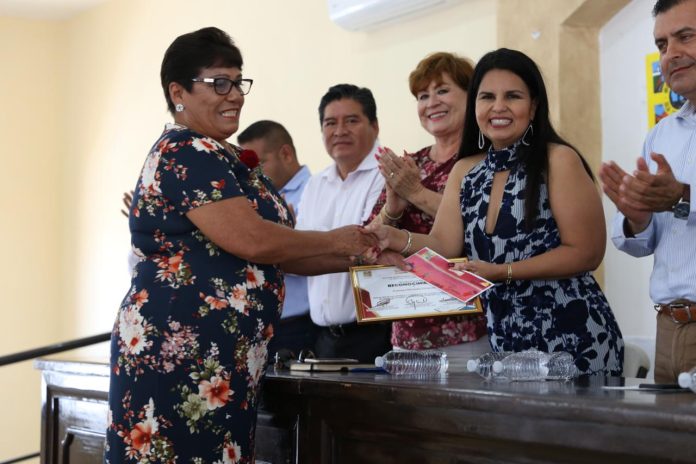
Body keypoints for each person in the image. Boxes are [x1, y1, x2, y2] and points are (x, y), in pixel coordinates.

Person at [106, 28, 376, 463]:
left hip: (225, 355)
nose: (234, 95)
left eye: (237, 82)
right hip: (181, 350)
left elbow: (282, 254)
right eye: (219, 83)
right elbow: (252, 239)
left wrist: (363, 256)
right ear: (178, 92)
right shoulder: (184, 150)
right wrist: (337, 239)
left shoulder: (224, 155)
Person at [368, 48, 624, 376]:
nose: (498, 107)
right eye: (487, 97)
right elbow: (444, 244)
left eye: (512, 96)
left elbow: (586, 253)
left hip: (572, 336)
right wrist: (393, 237)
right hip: (505, 341)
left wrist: (503, 272)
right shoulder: (466, 170)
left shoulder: (558, 160)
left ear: (534, 106)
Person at [366, 52, 488, 361]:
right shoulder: (412, 163)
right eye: (423, 96)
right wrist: (393, 208)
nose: (431, 102)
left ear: (472, 96)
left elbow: (482, 225)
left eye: (442, 90)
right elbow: (367, 238)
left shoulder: (484, 159)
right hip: (406, 327)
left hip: (467, 328)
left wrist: (416, 193)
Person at [599, 0, 696, 383]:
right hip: (669, 327)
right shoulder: (661, 135)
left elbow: (680, 200)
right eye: (661, 44)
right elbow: (642, 244)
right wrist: (637, 219)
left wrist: (683, 196)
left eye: (685, 37)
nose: (671, 54)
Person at [295, 84, 391, 362]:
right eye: (330, 123)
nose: (339, 131)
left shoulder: (388, 174)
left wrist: (311, 248)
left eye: (351, 121)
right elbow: (298, 252)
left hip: (375, 334)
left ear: (374, 126)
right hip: (322, 337)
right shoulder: (316, 184)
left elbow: (369, 247)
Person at [237, 120, 317, 360]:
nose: (251, 173)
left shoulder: (314, 191)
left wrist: (284, 240)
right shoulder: (253, 198)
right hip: (263, 325)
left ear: (286, 154)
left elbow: (316, 256)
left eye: (259, 163)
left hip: (300, 324)